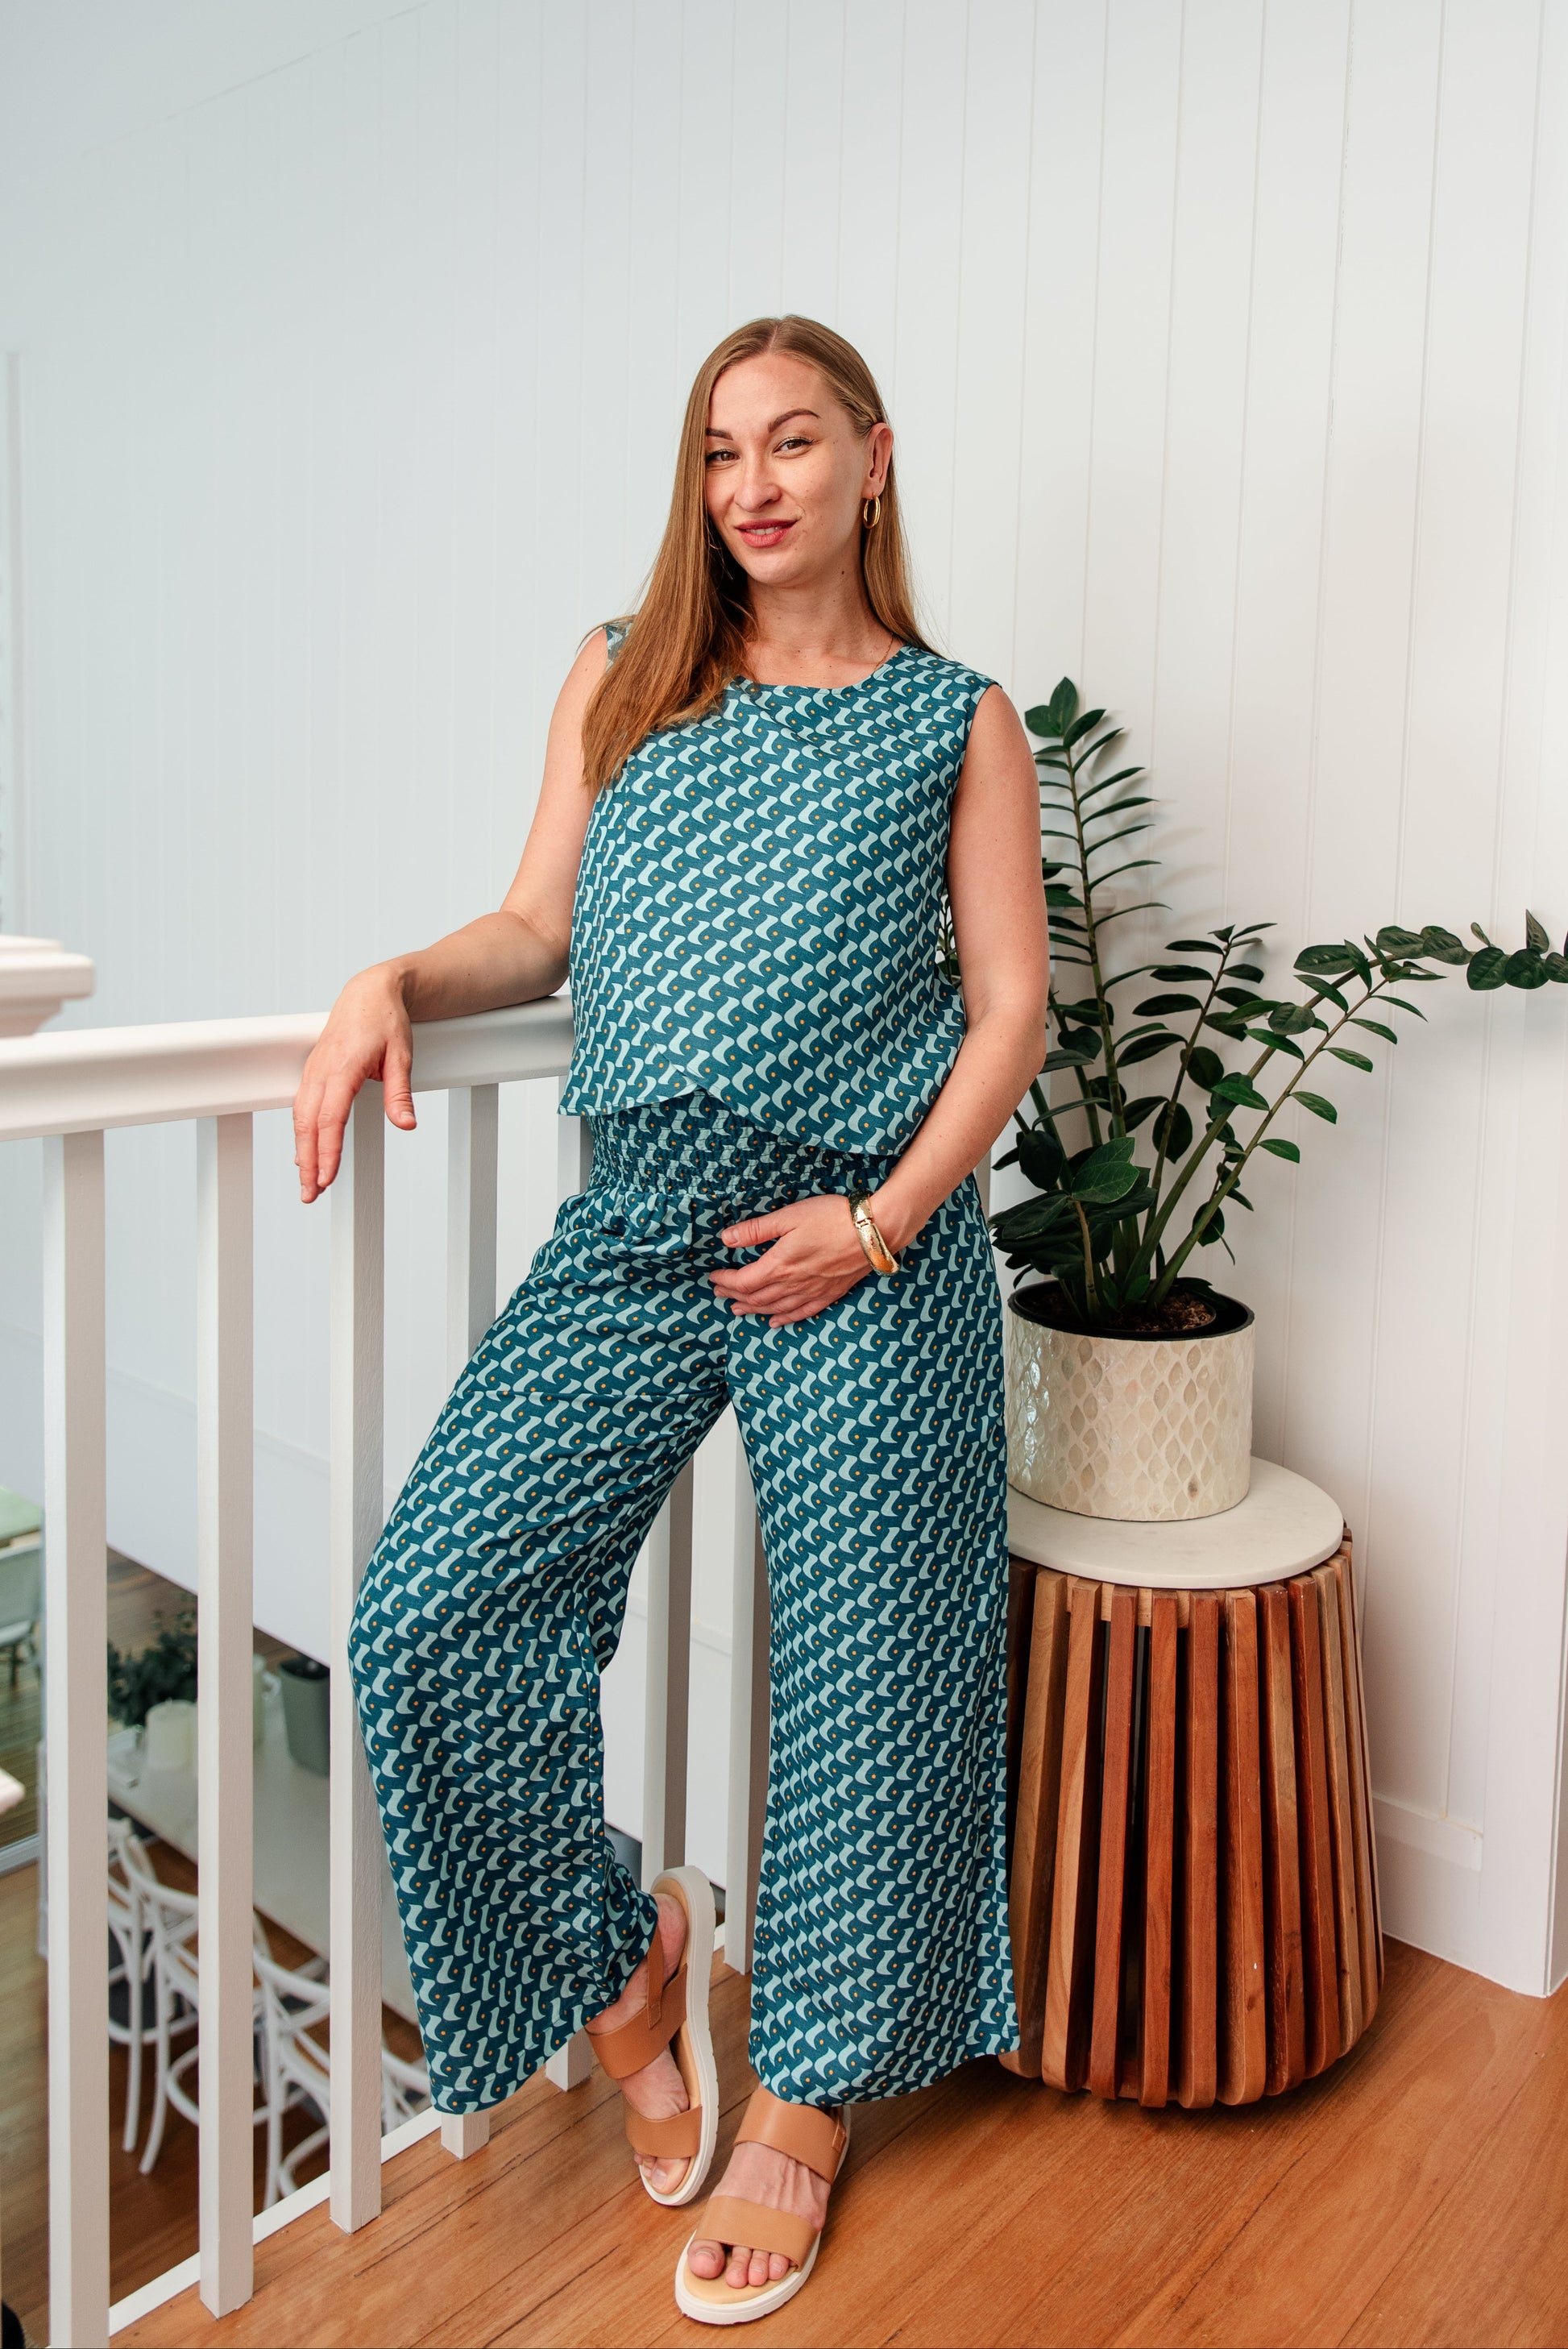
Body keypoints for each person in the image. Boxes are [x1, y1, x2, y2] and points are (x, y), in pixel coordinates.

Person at [292, 313, 1048, 2325]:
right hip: (638, 1227)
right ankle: (626, 1965)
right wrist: (391, 979)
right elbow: (535, 927)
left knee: (874, 1671)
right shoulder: (626, 675)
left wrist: (880, 1225)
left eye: (791, 442)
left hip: (860, 1238)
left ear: (873, 457)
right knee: (433, 1614)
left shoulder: (953, 719)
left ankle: (807, 2096)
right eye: (721, 452)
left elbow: (1011, 1012)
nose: (752, 486)